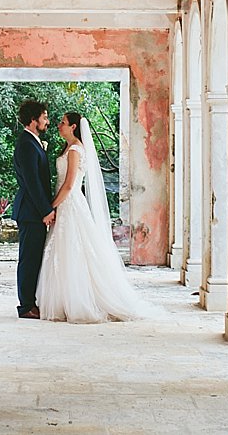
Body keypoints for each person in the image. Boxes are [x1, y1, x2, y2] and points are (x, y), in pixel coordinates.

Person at [36, 112, 161, 323]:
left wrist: (50, 207)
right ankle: (64, 299)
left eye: (63, 123)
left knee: (74, 250)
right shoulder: (67, 148)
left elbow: (68, 185)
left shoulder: (75, 150)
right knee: (63, 250)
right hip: (64, 204)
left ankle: (80, 300)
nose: (59, 125)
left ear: (74, 127)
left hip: (70, 203)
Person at [11, 99, 56, 320]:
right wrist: (45, 210)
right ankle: (26, 305)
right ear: (33, 120)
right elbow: (32, 182)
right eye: (44, 117)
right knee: (28, 259)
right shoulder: (27, 144)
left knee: (34, 257)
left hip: (33, 211)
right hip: (30, 212)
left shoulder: (33, 141)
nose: (47, 121)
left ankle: (31, 302)